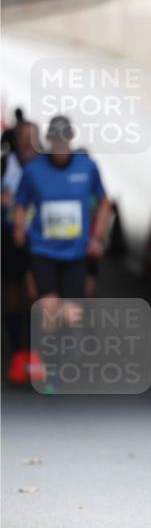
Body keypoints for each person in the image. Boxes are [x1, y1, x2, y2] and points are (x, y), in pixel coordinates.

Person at [13, 115, 111, 326]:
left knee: (73, 316)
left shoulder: (86, 166)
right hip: (43, 250)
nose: (60, 145)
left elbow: (104, 202)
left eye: (64, 139)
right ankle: (45, 346)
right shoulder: (34, 169)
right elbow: (20, 203)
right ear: (49, 139)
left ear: (71, 137)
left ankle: (65, 345)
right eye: (55, 139)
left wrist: (97, 237)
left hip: (75, 252)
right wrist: (19, 228)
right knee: (48, 309)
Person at [2, 120, 39, 381]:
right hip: (10, 239)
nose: (27, 143)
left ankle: (36, 353)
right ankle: (18, 352)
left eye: (32, 137)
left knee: (37, 296)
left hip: (40, 241)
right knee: (13, 296)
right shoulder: (5, 164)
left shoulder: (45, 166)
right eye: (23, 137)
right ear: (16, 140)